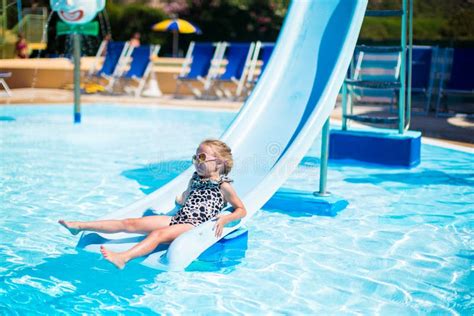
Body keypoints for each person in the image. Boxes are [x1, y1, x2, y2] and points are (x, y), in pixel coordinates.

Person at [59, 139, 247, 269]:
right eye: (196, 157)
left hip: (193, 225)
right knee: (130, 223)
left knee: (157, 234)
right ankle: (80, 225)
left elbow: (241, 209)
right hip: (178, 218)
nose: (198, 161)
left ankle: (124, 258)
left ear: (220, 162)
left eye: (203, 158)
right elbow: (187, 197)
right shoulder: (195, 178)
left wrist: (225, 218)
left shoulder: (224, 186)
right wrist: (180, 200)